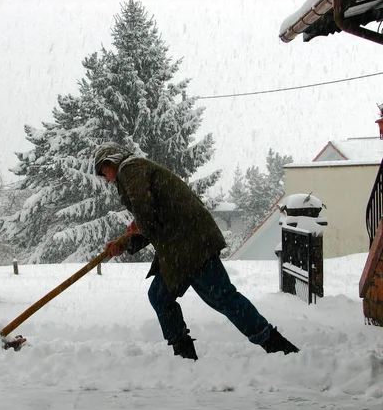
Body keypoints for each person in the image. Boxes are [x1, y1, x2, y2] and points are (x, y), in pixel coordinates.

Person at [94, 142, 299, 360]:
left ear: (111, 160)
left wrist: (137, 226)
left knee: (222, 298)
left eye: (104, 171)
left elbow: (145, 211)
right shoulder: (136, 169)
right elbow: (152, 216)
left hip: (190, 244)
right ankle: (185, 356)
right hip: (181, 246)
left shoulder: (130, 168)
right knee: (165, 295)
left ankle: (277, 346)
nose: (106, 178)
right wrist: (124, 244)